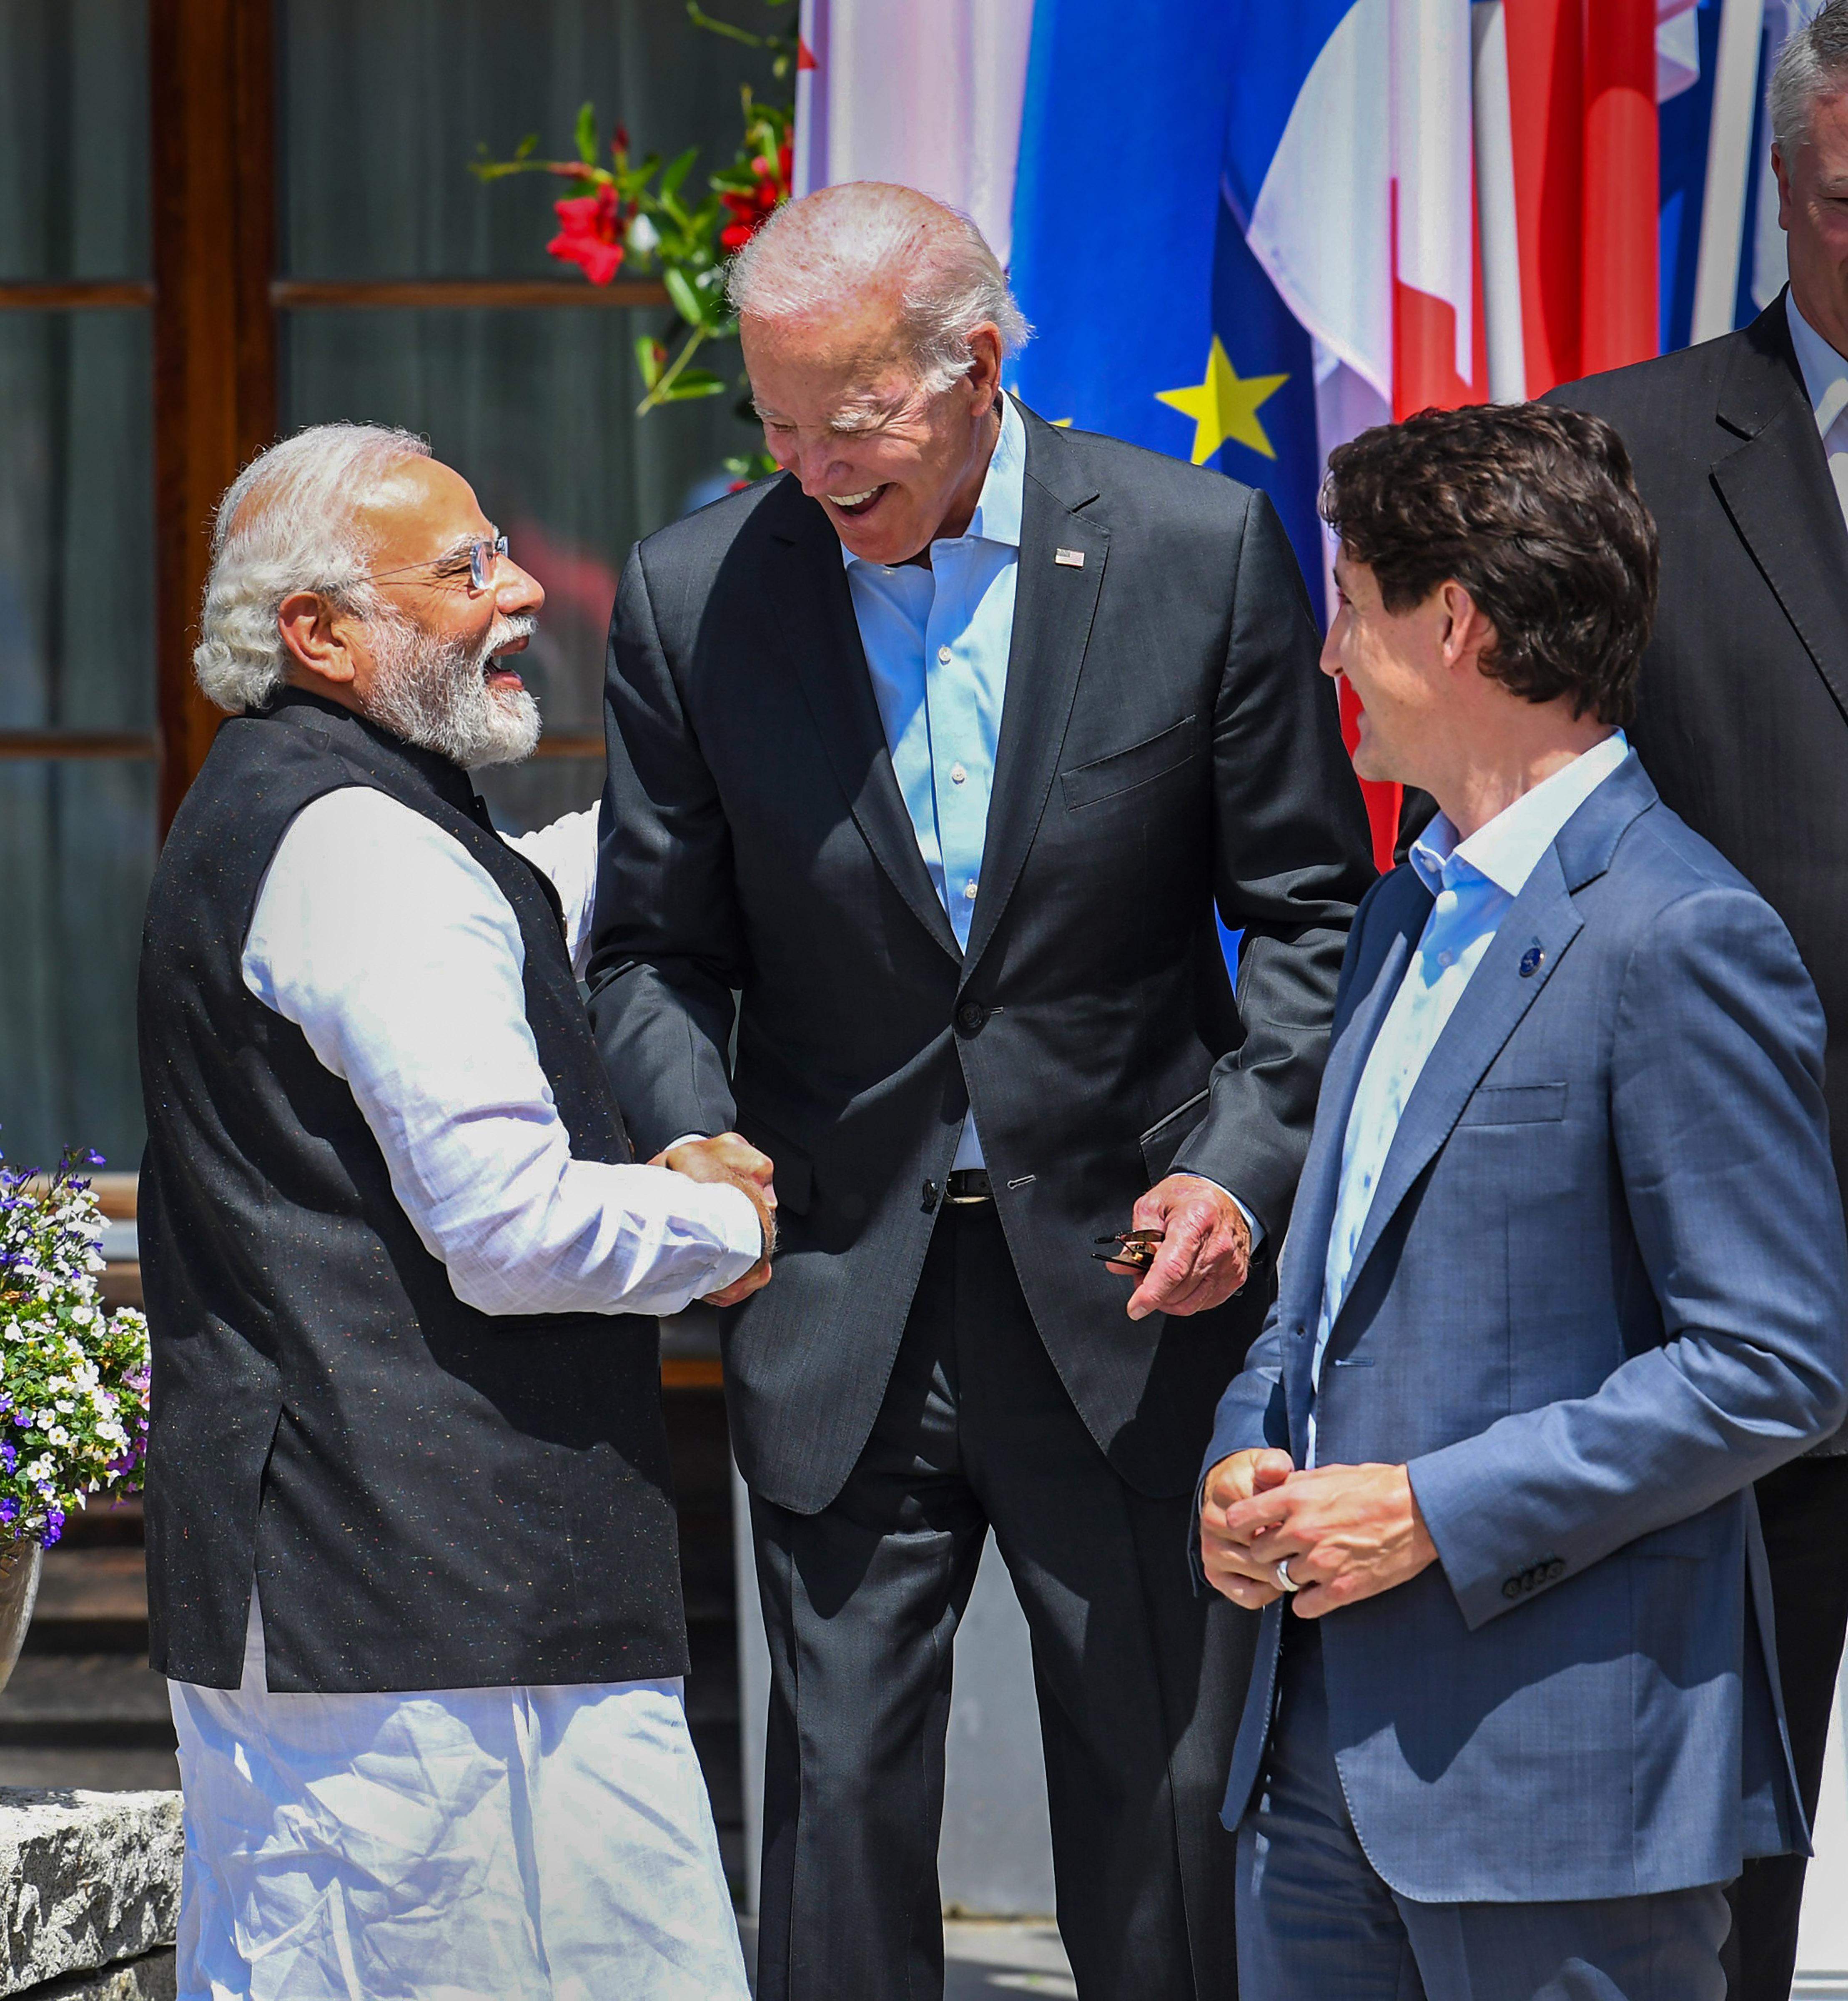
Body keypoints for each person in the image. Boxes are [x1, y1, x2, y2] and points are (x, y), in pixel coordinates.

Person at [586, 181, 1376, 2000]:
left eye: (849, 423)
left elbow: (1311, 912)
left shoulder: (1192, 549)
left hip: (1129, 1286)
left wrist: (1241, 1167)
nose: (808, 472)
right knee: (837, 1820)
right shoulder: (695, 595)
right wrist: (691, 1136)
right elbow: (647, 951)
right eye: (775, 426)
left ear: (978, 366)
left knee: (1156, 1816)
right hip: (836, 1285)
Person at [1197, 402, 1848, 2000]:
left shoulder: (1680, 932)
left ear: (1454, 624)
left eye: (1349, 604)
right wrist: (1243, 1452)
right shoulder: (1397, 912)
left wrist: (1430, 1510)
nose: (1330, 653)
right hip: (1308, 1770)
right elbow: (1320, 1294)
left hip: (1561, 1790)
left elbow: (1770, 1365)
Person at [138, 423, 775, 2001]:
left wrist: (703, 803)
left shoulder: (314, 808)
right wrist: (727, 1227)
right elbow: (509, 1229)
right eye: (465, 569)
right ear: (320, 632)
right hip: (427, 1629)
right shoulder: (365, 847)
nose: (521, 593)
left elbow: (498, 910)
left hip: (390, 1604)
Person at [1544, 11, 1848, 1990]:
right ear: (1782, 188)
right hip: (1733, 1284)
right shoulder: (1618, 457)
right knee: (1715, 1879)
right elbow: (1520, 849)